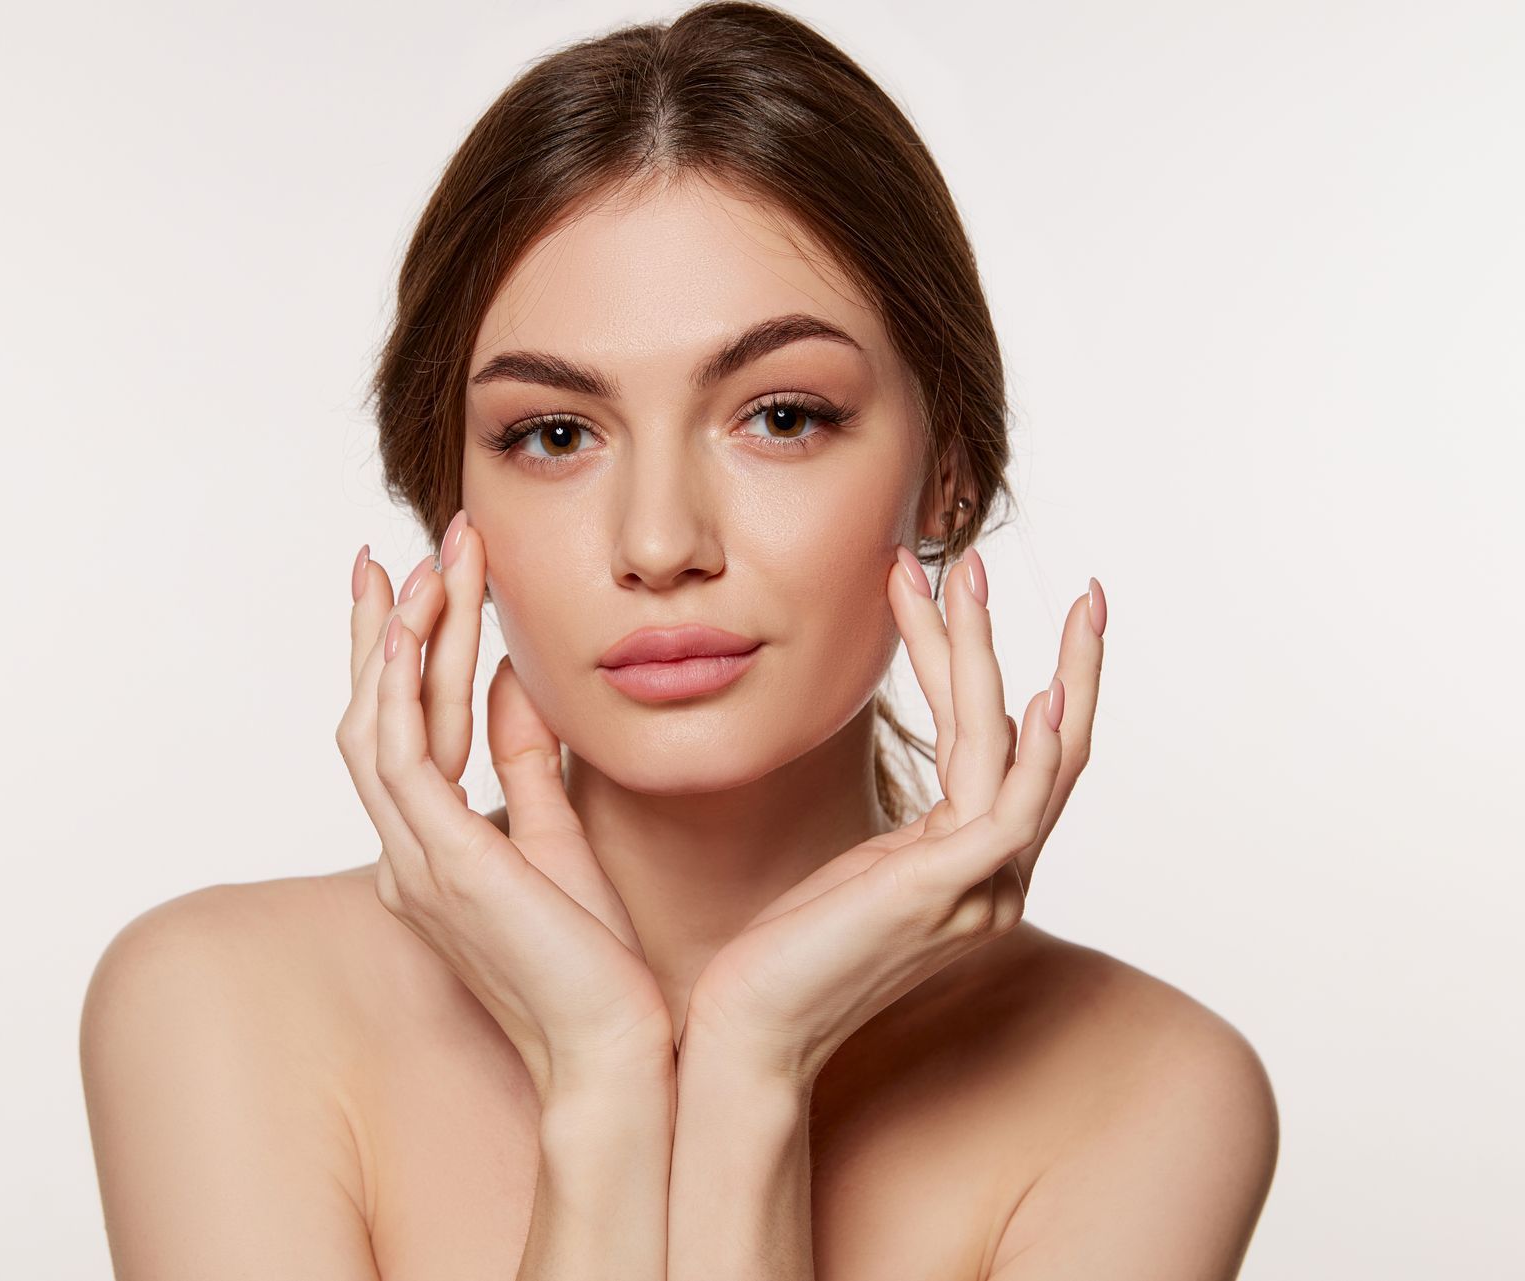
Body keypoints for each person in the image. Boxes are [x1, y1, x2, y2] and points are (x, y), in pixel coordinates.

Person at [79, 3, 1279, 1277]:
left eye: (779, 415)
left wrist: (753, 1069)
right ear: (454, 506)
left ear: (951, 473)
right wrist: (603, 1079)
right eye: (553, 434)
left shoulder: (1147, 1093)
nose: (659, 542)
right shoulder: (220, 1010)